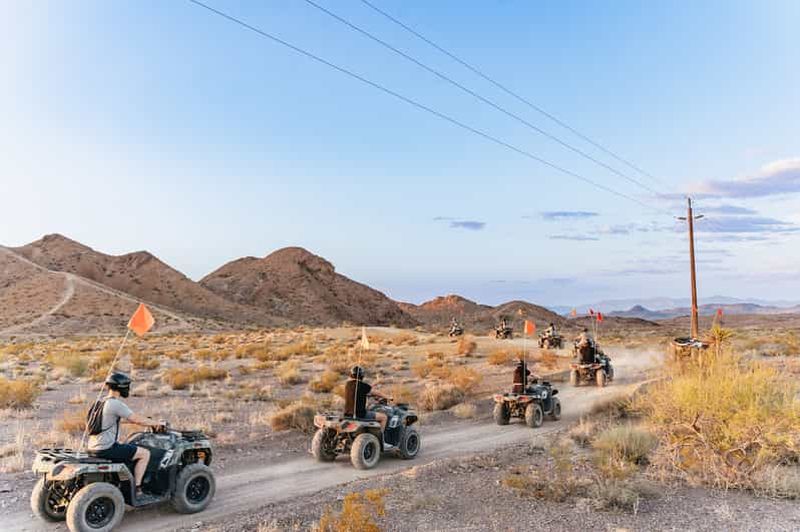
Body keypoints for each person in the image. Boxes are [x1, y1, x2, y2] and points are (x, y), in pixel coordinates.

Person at [87, 373, 164, 499]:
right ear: (121, 387)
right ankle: (138, 489)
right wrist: (155, 423)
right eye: (127, 386)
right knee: (144, 454)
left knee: (128, 447)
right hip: (106, 448)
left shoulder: (99, 402)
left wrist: (144, 421)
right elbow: (136, 419)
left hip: (92, 447)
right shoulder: (115, 404)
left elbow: (111, 420)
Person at [344, 366, 389, 435]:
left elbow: (361, 391)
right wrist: (388, 397)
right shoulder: (363, 386)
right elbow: (377, 393)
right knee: (384, 417)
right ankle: (379, 438)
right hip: (360, 414)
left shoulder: (347, 384)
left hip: (347, 414)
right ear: (362, 376)